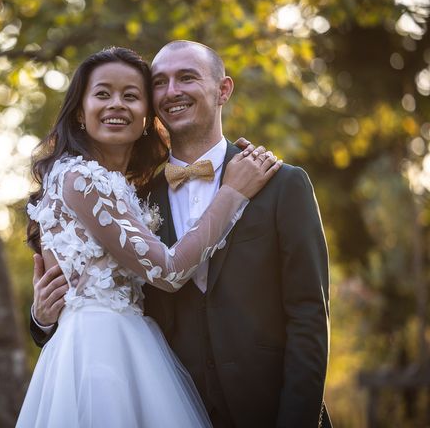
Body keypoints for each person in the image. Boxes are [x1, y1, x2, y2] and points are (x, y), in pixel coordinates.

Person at [30, 41, 332, 427]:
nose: (172, 91)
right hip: (158, 401)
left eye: (187, 78)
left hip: (271, 409)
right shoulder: (134, 199)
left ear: (223, 89)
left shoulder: (280, 184)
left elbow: (309, 315)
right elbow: (73, 283)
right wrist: (41, 318)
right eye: (160, 82)